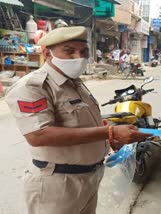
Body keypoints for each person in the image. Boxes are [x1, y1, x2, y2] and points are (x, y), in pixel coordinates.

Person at [5, 26, 151, 214]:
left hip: (89, 178)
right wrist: (109, 132)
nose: (78, 57)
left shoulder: (75, 82)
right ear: (47, 53)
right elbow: (38, 135)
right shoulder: (33, 86)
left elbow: (81, 123)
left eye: (83, 52)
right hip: (58, 185)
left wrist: (108, 138)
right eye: (68, 51)